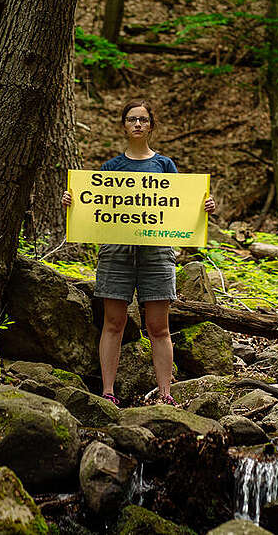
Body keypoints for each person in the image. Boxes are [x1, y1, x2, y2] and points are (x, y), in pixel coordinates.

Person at [62, 99, 216, 406]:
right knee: (113, 323)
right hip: (117, 253)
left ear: (151, 125)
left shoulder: (165, 166)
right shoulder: (111, 168)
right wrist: (73, 202)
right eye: (132, 119)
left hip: (156, 253)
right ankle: (108, 392)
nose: (137, 124)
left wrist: (203, 207)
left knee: (159, 327)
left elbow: (179, 206)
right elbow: (96, 209)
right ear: (123, 125)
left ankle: (165, 394)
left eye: (143, 120)